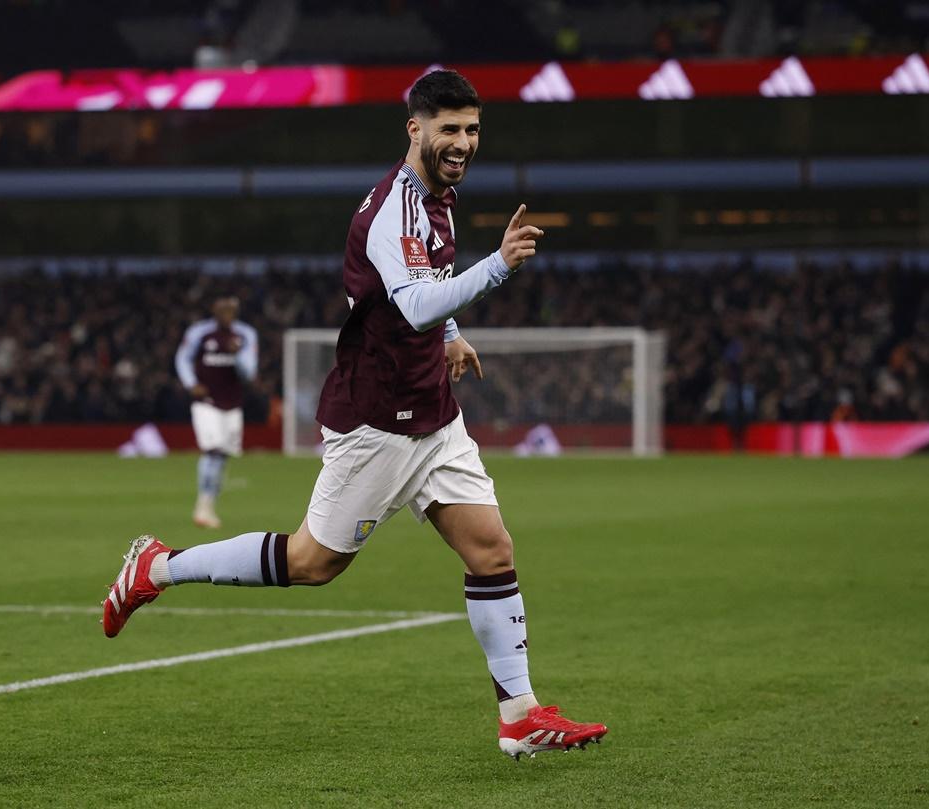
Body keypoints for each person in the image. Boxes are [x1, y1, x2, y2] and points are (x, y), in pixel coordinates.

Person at [102, 70, 607, 760]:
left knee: (492, 549)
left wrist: (453, 337)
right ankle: (158, 566)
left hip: (433, 412)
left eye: (472, 130)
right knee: (312, 562)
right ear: (415, 129)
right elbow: (412, 303)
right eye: (450, 130)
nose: (463, 142)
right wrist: (498, 268)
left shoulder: (440, 200)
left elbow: (432, 291)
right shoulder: (388, 212)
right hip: (377, 420)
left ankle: (519, 716)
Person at [174, 296, 258, 528]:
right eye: (222, 308)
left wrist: (237, 356)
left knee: (222, 455)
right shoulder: (199, 333)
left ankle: (208, 505)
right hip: (207, 401)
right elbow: (182, 358)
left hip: (232, 403)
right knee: (212, 451)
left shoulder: (246, 335)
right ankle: (202, 506)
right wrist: (191, 383)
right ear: (214, 309)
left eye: (231, 309)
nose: (226, 313)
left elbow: (249, 373)